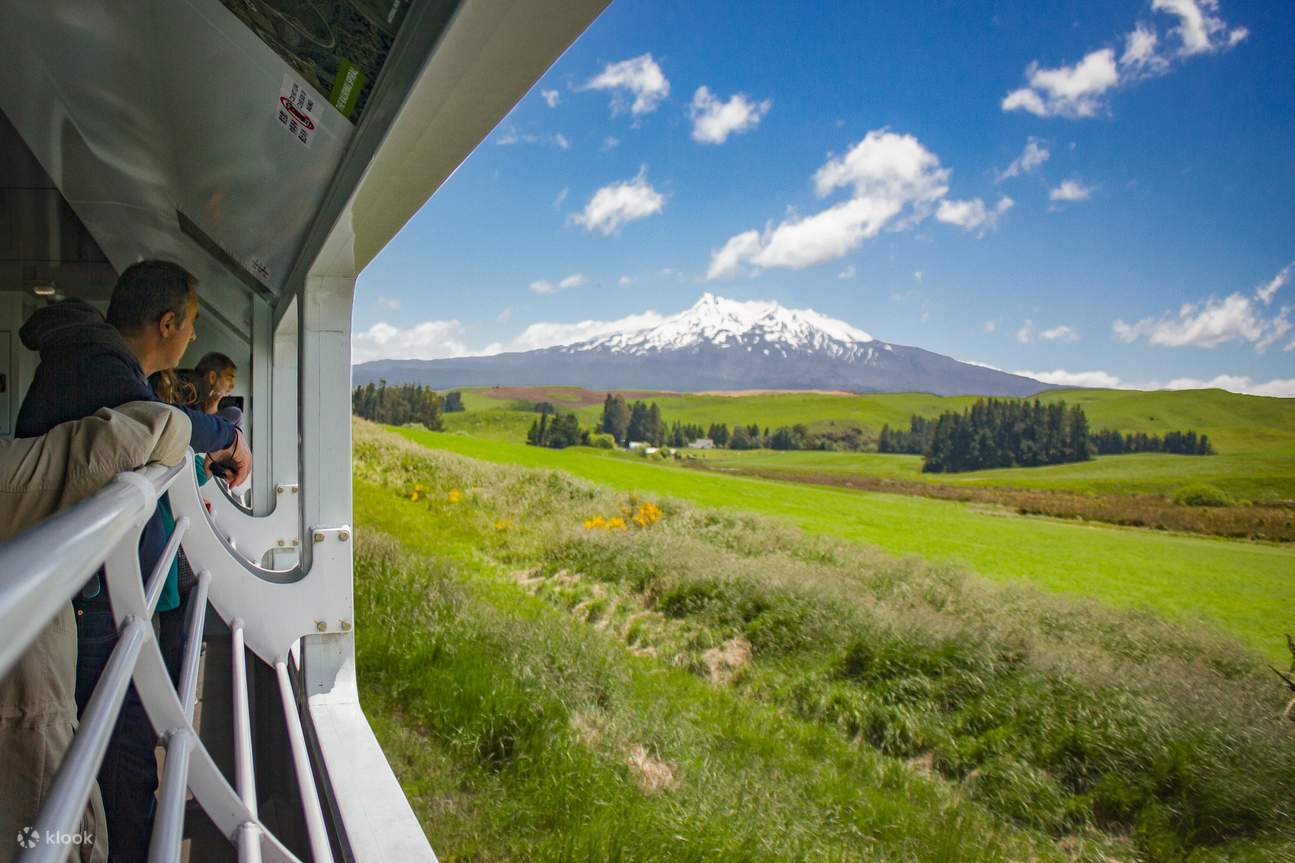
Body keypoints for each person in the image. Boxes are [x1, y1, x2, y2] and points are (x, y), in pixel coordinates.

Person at [15, 259, 251, 860]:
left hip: (99, 596)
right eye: (192, 324)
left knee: (124, 747)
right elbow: (160, 423)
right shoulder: (94, 366)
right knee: (118, 754)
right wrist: (225, 435)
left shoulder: (100, 365)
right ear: (167, 322)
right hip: (93, 604)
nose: (194, 339)